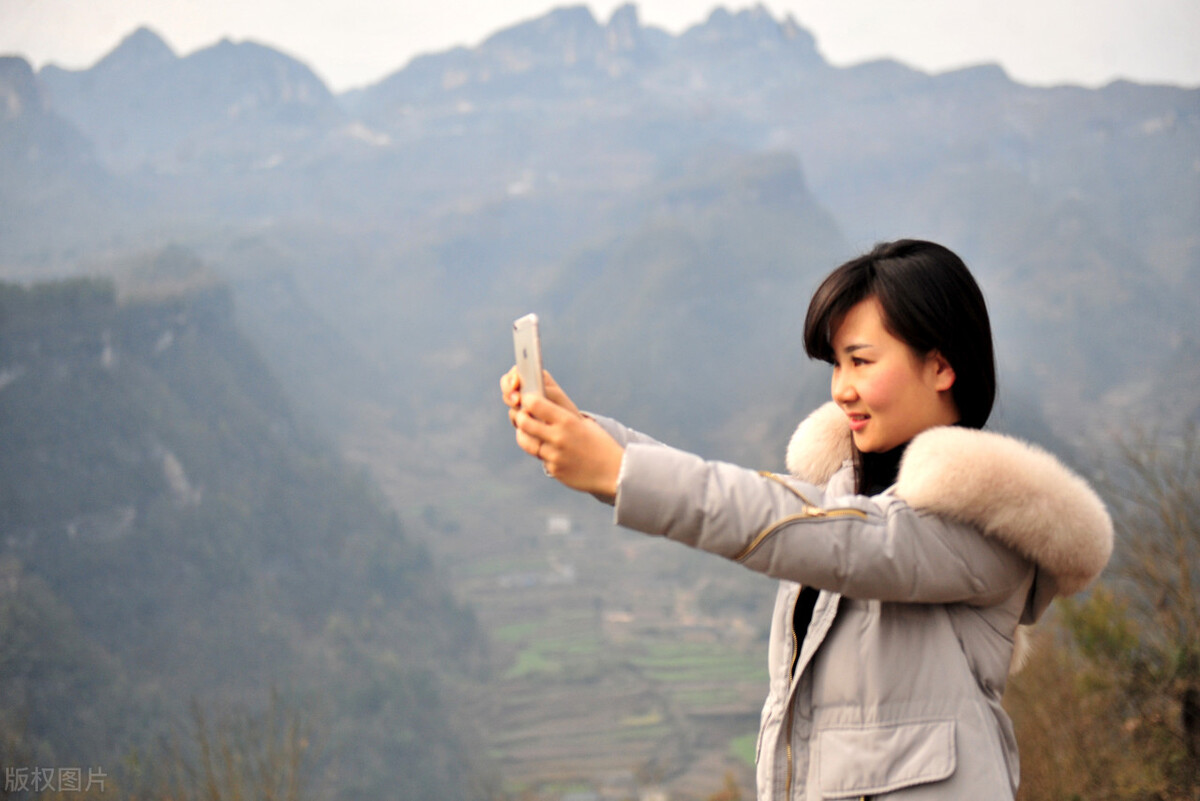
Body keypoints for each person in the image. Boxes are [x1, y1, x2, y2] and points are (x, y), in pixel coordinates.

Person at [501, 239, 1113, 799]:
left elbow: (833, 535)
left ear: (941, 367)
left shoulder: (980, 525)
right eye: (836, 366)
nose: (841, 389)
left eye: (862, 361)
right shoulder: (850, 495)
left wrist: (618, 473)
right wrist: (583, 432)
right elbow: (778, 504)